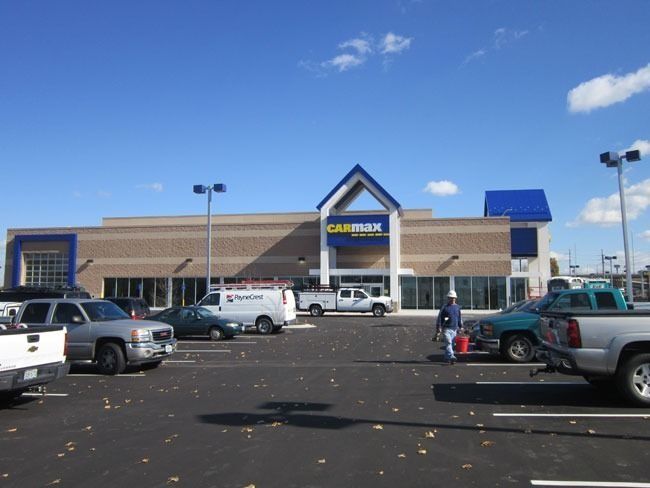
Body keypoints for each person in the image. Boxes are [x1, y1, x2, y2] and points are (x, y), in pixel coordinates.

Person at [435, 290, 463, 364]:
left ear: (455, 298)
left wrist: (460, 326)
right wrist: (439, 327)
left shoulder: (457, 307)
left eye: (453, 298)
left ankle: (447, 358)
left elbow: (459, 317)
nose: (452, 299)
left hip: (454, 329)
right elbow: (439, 317)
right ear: (448, 298)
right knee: (448, 343)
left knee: (451, 344)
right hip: (446, 329)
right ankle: (452, 356)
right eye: (451, 298)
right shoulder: (444, 307)